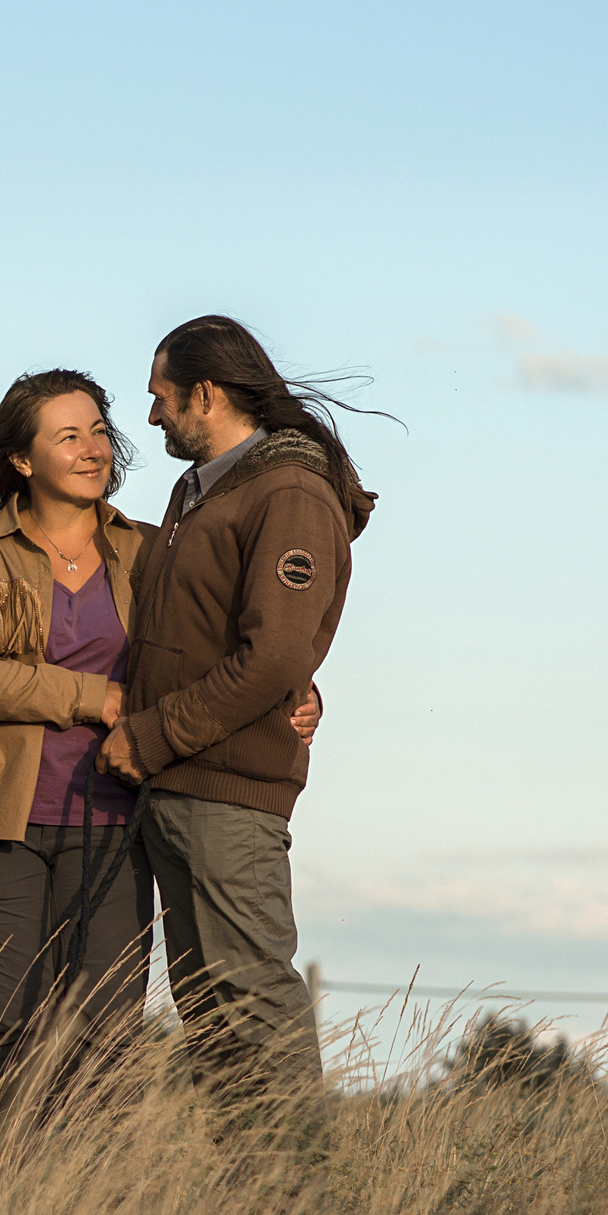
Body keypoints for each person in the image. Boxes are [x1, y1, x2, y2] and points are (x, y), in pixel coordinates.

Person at [0, 368, 319, 1126]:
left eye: (100, 432)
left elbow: (225, 647)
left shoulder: (150, 550)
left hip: (117, 818)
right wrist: (89, 697)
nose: (92, 449)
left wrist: (297, 692)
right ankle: (13, 1199)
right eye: (67, 436)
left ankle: (96, 1207)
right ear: (23, 459)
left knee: (105, 1033)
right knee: (10, 1023)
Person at [97, 316, 377, 1100]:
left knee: (254, 1007)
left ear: (207, 393)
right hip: (181, 793)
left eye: (162, 397)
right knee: (214, 1028)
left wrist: (149, 740)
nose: (151, 416)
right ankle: (256, 1214)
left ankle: (297, 1197)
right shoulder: (200, 491)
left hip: (227, 795)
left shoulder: (289, 493)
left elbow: (277, 654)